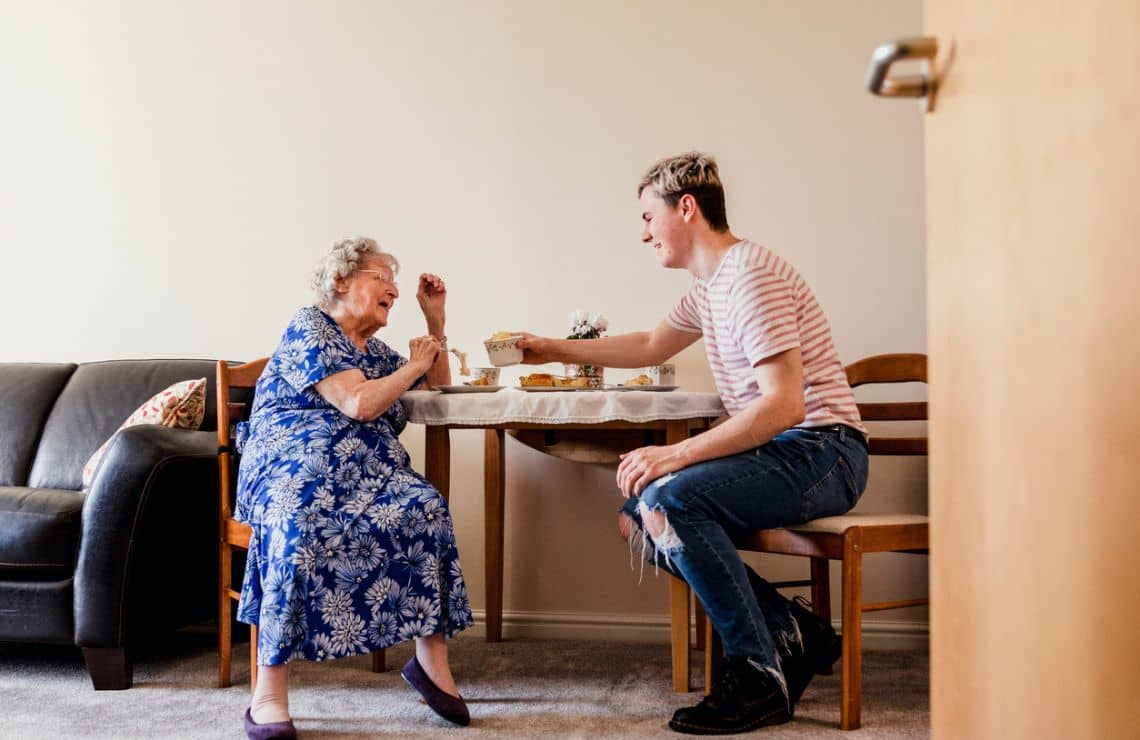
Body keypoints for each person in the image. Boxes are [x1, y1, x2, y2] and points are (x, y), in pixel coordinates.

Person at [517, 152, 869, 735]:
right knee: (640, 517)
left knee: (668, 501)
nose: (644, 233)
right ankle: (791, 629)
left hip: (823, 452)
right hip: (790, 451)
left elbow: (784, 405)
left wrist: (677, 454)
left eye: (648, 217)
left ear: (686, 208)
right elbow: (652, 344)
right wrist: (556, 348)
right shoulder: (712, 286)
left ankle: (760, 676)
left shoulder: (751, 274)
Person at [234, 237, 475, 739]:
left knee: (424, 507)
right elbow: (359, 405)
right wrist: (413, 366)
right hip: (292, 468)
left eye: (394, 280)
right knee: (298, 524)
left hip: (367, 472)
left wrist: (435, 324)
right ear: (341, 281)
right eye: (380, 276)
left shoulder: (376, 351)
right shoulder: (310, 326)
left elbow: (438, 389)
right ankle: (268, 692)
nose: (393, 288)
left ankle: (430, 664)